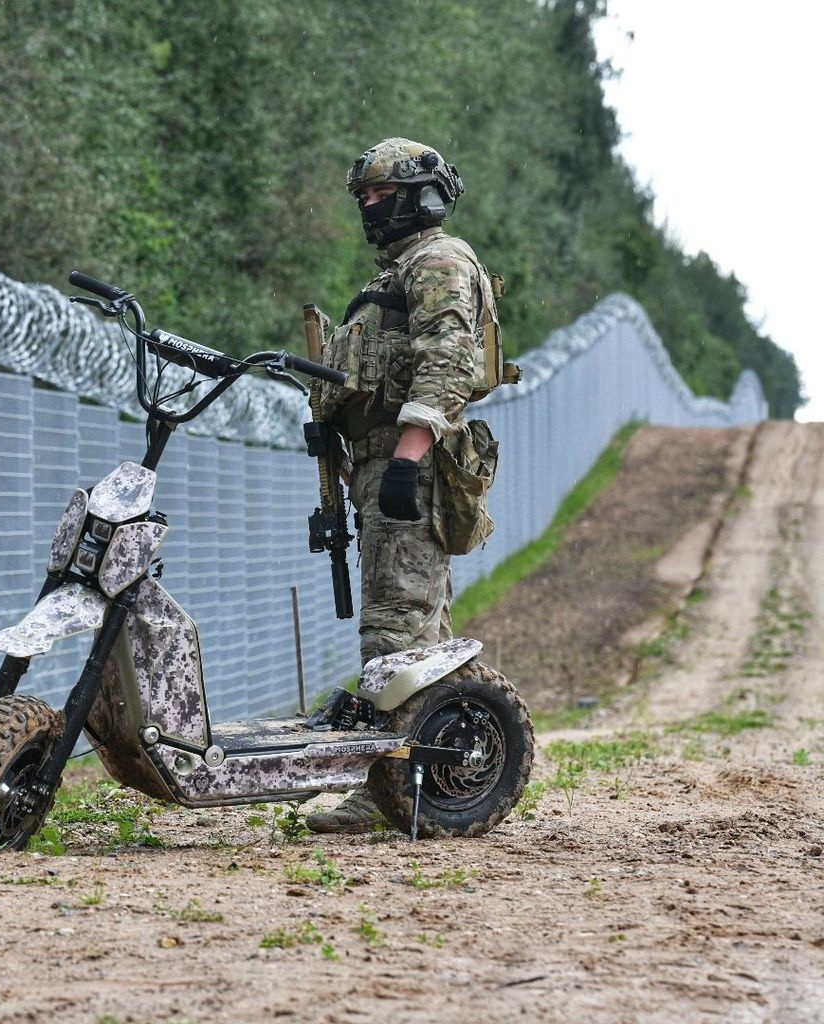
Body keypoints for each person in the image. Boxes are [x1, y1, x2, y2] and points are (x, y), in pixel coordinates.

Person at [303, 137, 495, 833]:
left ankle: (384, 792)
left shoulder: (438, 261)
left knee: (394, 629)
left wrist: (410, 458)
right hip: (379, 464)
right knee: (421, 630)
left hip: (406, 464)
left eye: (383, 195)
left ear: (423, 197)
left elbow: (448, 359)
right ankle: (435, 780)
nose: (371, 208)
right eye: (365, 198)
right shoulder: (393, 277)